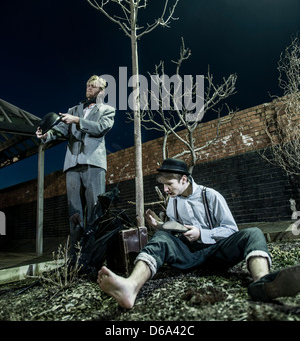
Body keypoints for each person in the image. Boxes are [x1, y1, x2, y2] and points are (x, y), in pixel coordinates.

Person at [97, 158, 300, 309]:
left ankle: (262, 283)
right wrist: (160, 226)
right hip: (190, 256)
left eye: (170, 185)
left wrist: (201, 233)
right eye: (164, 185)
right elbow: (174, 233)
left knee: (253, 233)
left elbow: (231, 230)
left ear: (184, 179)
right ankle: (131, 286)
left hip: (216, 253)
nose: (166, 190)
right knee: (160, 238)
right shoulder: (173, 203)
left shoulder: (210, 196)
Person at [36, 74, 115, 250]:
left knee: (96, 210)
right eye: (88, 85)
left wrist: (78, 121)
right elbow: (62, 131)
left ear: (102, 91)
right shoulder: (73, 110)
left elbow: (100, 128)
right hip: (72, 165)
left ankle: (94, 253)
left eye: (94, 86)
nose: (89, 88)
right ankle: (76, 254)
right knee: (75, 211)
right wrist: (46, 135)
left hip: (93, 164)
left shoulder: (107, 110)